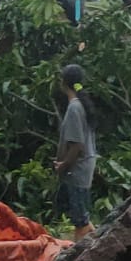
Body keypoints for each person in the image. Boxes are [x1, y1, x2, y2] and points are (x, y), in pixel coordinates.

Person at [54, 63, 98, 241]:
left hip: (78, 168)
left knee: (80, 220)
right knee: (82, 214)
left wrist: (63, 165)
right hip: (84, 165)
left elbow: (77, 146)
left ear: (64, 83)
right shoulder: (81, 105)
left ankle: (79, 256)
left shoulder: (74, 108)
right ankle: (98, 240)